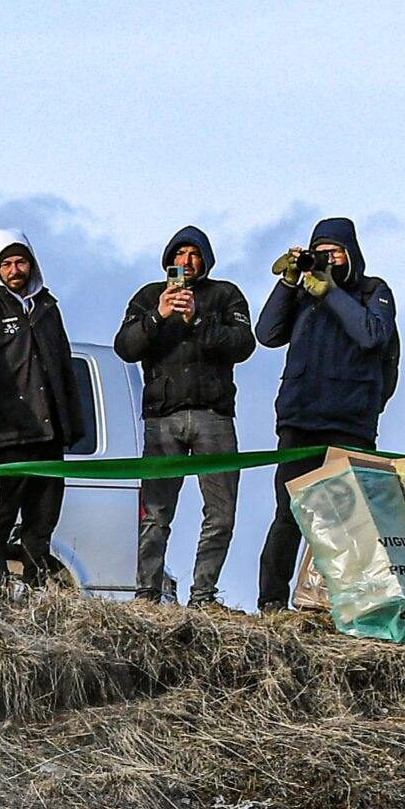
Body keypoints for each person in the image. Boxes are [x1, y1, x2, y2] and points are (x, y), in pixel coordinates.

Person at [255, 218, 400, 612]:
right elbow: (266, 334)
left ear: (350, 253)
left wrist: (332, 292)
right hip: (300, 420)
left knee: (349, 520)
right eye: (320, 252)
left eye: (334, 252)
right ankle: (271, 601)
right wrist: (288, 284)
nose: (327, 259)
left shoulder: (373, 291)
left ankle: (345, 603)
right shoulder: (303, 294)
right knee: (289, 514)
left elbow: (372, 335)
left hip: (350, 424)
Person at [115, 226, 254, 607]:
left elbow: (244, 344)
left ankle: (203, 595)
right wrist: (158, 316)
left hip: (214, 415)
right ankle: (147, 594)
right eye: (179, 255)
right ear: (168, 260)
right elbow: (125, 347)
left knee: (221, 514)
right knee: (155, 513)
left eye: (193, 254)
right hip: (162, 418)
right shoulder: (148, 297)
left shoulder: (225, 295)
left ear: (206, 259)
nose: (186, 261)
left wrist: (197, 320)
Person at [0, 229, 79, 586]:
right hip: (5, 435)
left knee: (42, 521)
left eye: (20, 262)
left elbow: (64, 367)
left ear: (32, 264)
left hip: (48, 435)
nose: (14, 270)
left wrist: (72, 423)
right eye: (6, 263)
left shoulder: (47, 308)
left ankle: (36, 587)